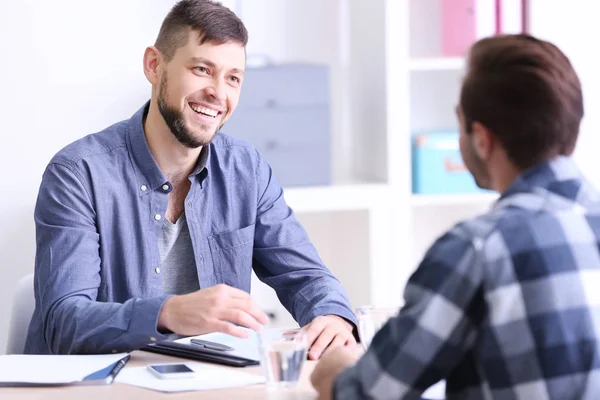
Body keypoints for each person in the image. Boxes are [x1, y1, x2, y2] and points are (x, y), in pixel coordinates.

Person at [24, 0, 357, 357]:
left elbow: (306, 276)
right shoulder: (78, 173)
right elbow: (62, 324)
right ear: (154, 65)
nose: (218, 93)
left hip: (212, 383)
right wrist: (167, 313)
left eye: (233, 78)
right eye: (201, 69)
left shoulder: (247, 169)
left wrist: (333, 315)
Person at [311, 33, 600, 399]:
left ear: (481, 138)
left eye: (459, 120)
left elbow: (368, 392)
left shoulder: (476, 249)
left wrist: (337, 370)